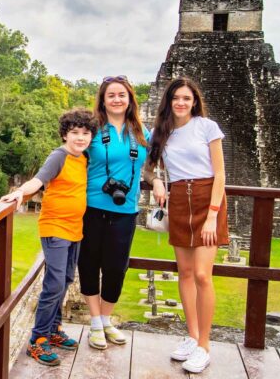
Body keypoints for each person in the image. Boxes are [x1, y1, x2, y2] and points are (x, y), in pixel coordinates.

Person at [0, 108, 97, 367]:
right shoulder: (59, 156)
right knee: (54, 284)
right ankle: (38, 339)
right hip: (55, 228)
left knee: (65, 280)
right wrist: (20, 193)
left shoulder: (84, 158)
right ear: (65, 135)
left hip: (75, 228)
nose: (80, 137)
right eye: (75, 133)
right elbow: (39, 180)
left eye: (85, 133)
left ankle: (53, 329)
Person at [147, 77, 229, 374]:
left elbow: (220, 174)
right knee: (183, 272)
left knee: (202, 275)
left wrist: (212, 215)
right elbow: (148, 166)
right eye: (176, 98)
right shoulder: (162, 132)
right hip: (179, 199)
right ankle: (193, 336)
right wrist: (156, 180)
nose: (181, 103)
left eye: (187, 98)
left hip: (208, 199)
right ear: (169, 101)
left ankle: (205, 345)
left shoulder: (207, 127)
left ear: (195, 102)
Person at [79, 76, 165, 350]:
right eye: (111, 95)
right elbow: (70, 157)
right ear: (103, 101)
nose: (116, 99)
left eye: (122, 95)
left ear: (130, 99)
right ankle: (95, 323)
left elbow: (150, 168)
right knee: (90, 265)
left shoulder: (142, 133)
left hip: (126, 210)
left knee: (116, 268)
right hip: (92, 207)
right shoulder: (92, 130)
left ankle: (106, 320)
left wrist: (158, 181)